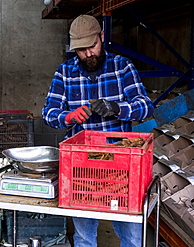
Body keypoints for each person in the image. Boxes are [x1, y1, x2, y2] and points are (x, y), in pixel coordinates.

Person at [42, 14, 154, 247]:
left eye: (91, 47)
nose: (88, 54)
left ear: (102, 37)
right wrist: (68, 117)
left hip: (121, 164)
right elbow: (48, 114)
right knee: (83, 236)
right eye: (81, 50)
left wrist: (118, 108)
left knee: (132, 236)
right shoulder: (65, 72)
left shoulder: (122, 67)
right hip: (82, 165)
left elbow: (146, 106)